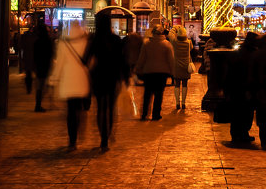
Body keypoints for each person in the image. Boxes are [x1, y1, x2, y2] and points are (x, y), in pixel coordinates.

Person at [85, 11, 128, 151]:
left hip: (98, 77)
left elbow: (85, 59)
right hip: (112, 76)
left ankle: (103, 138)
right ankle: (107, 135)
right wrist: (125, 77)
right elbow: (122, 60)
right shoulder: (116, 40)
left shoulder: (94, 40)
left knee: (100, 108)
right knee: (110, 107)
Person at [50, 21, 91, 150]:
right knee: (79, 109)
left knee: (71, 112)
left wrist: (54, 79)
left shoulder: (63, 44)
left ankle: (72, 140)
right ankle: (79, 132)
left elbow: (59, 64)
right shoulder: (85, 43)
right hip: (82, 81)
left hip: (68, 82)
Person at [223, 31, 259, 145]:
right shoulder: (253, 53)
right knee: (247, 113)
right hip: (247, 88)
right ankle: (243, 134)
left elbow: (229, 71)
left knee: (236, 112)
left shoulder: (238, 52)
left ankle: (235, 135)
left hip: (235, 87)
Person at [136, 24, 175, 120]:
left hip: (148, 72)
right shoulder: (167, 44)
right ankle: (156, 114)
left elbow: (142, 58)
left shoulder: (147, 43)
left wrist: (138, 68)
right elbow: (171, 60)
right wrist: (172, 72)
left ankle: (144, 114)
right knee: (159, 94)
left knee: (147, 94)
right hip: (162, 73)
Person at [169, 25, 193, 111]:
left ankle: (177, 103)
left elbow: (170, 34)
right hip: (186, 65)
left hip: (177, 65)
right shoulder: (189, 42)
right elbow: (192, 49)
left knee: (177, 84)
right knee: (185, 84)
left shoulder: (175, 41)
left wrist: (176, 27)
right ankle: (183, 103)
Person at [31, 16, 54, 112]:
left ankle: (38, 104)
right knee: (43, 85)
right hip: (46, 66)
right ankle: (39, 105)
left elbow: (34, 55)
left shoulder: (37, 42)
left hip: (39, 66)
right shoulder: (48, 41)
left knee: (40, 86)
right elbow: (51, 54)